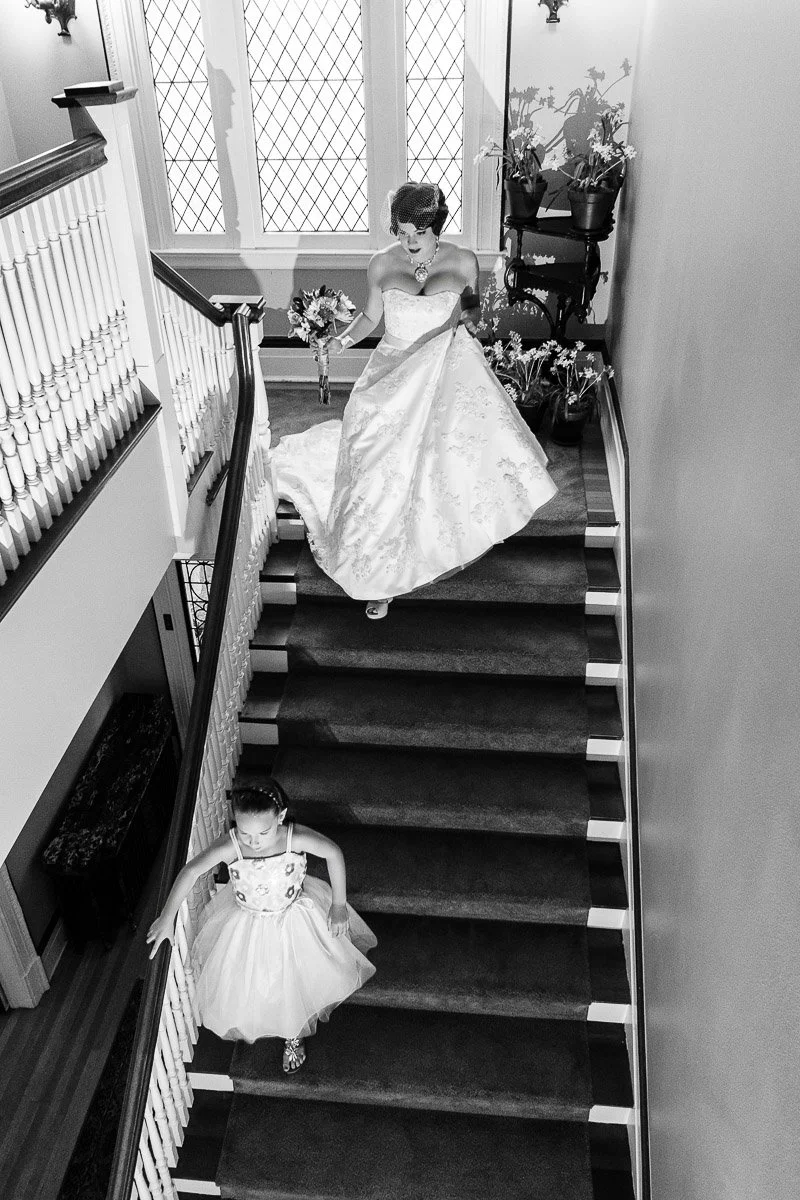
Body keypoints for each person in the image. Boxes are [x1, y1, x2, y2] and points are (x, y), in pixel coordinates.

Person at [272, 181, 558, 619]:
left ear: (436, 226)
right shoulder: (381, 264)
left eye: (417, 233)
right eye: (401, 232)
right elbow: (371, 316)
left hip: (438, 368)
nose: (408, 242)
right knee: (375, 463)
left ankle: (428, 546)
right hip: (390, 370)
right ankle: (376, 576)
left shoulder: (464, 260)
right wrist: (341, 342)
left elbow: (472, 307)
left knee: (439, 463)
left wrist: (470, 324)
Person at [146, 783, 376, 1074]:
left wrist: (339, 905)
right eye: (245, 833)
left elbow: (332, 852)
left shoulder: (294, 838)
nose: (253, 842)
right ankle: (275, 1021)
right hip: (249, 925)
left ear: (280, 817)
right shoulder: (233, 845)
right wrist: (167, 916)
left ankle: (294, 1034)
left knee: (294, 980)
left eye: (263, 833)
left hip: (294, 921)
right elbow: (192, 871)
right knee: (258, 983)